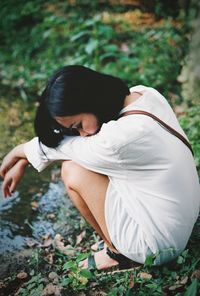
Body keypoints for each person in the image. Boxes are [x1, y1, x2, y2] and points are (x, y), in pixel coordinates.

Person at [0, 65, 199, 271]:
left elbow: (70, 149)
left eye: (78, 124)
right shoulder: (145, 94)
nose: (82, 134)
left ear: (92, 101)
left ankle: (117, 253)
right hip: (183, 214)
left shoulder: (116, 141)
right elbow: (66, 143)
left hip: (158, 244)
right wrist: (25, 158)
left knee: (73, 170)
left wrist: (20, 151)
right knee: (78, 160)